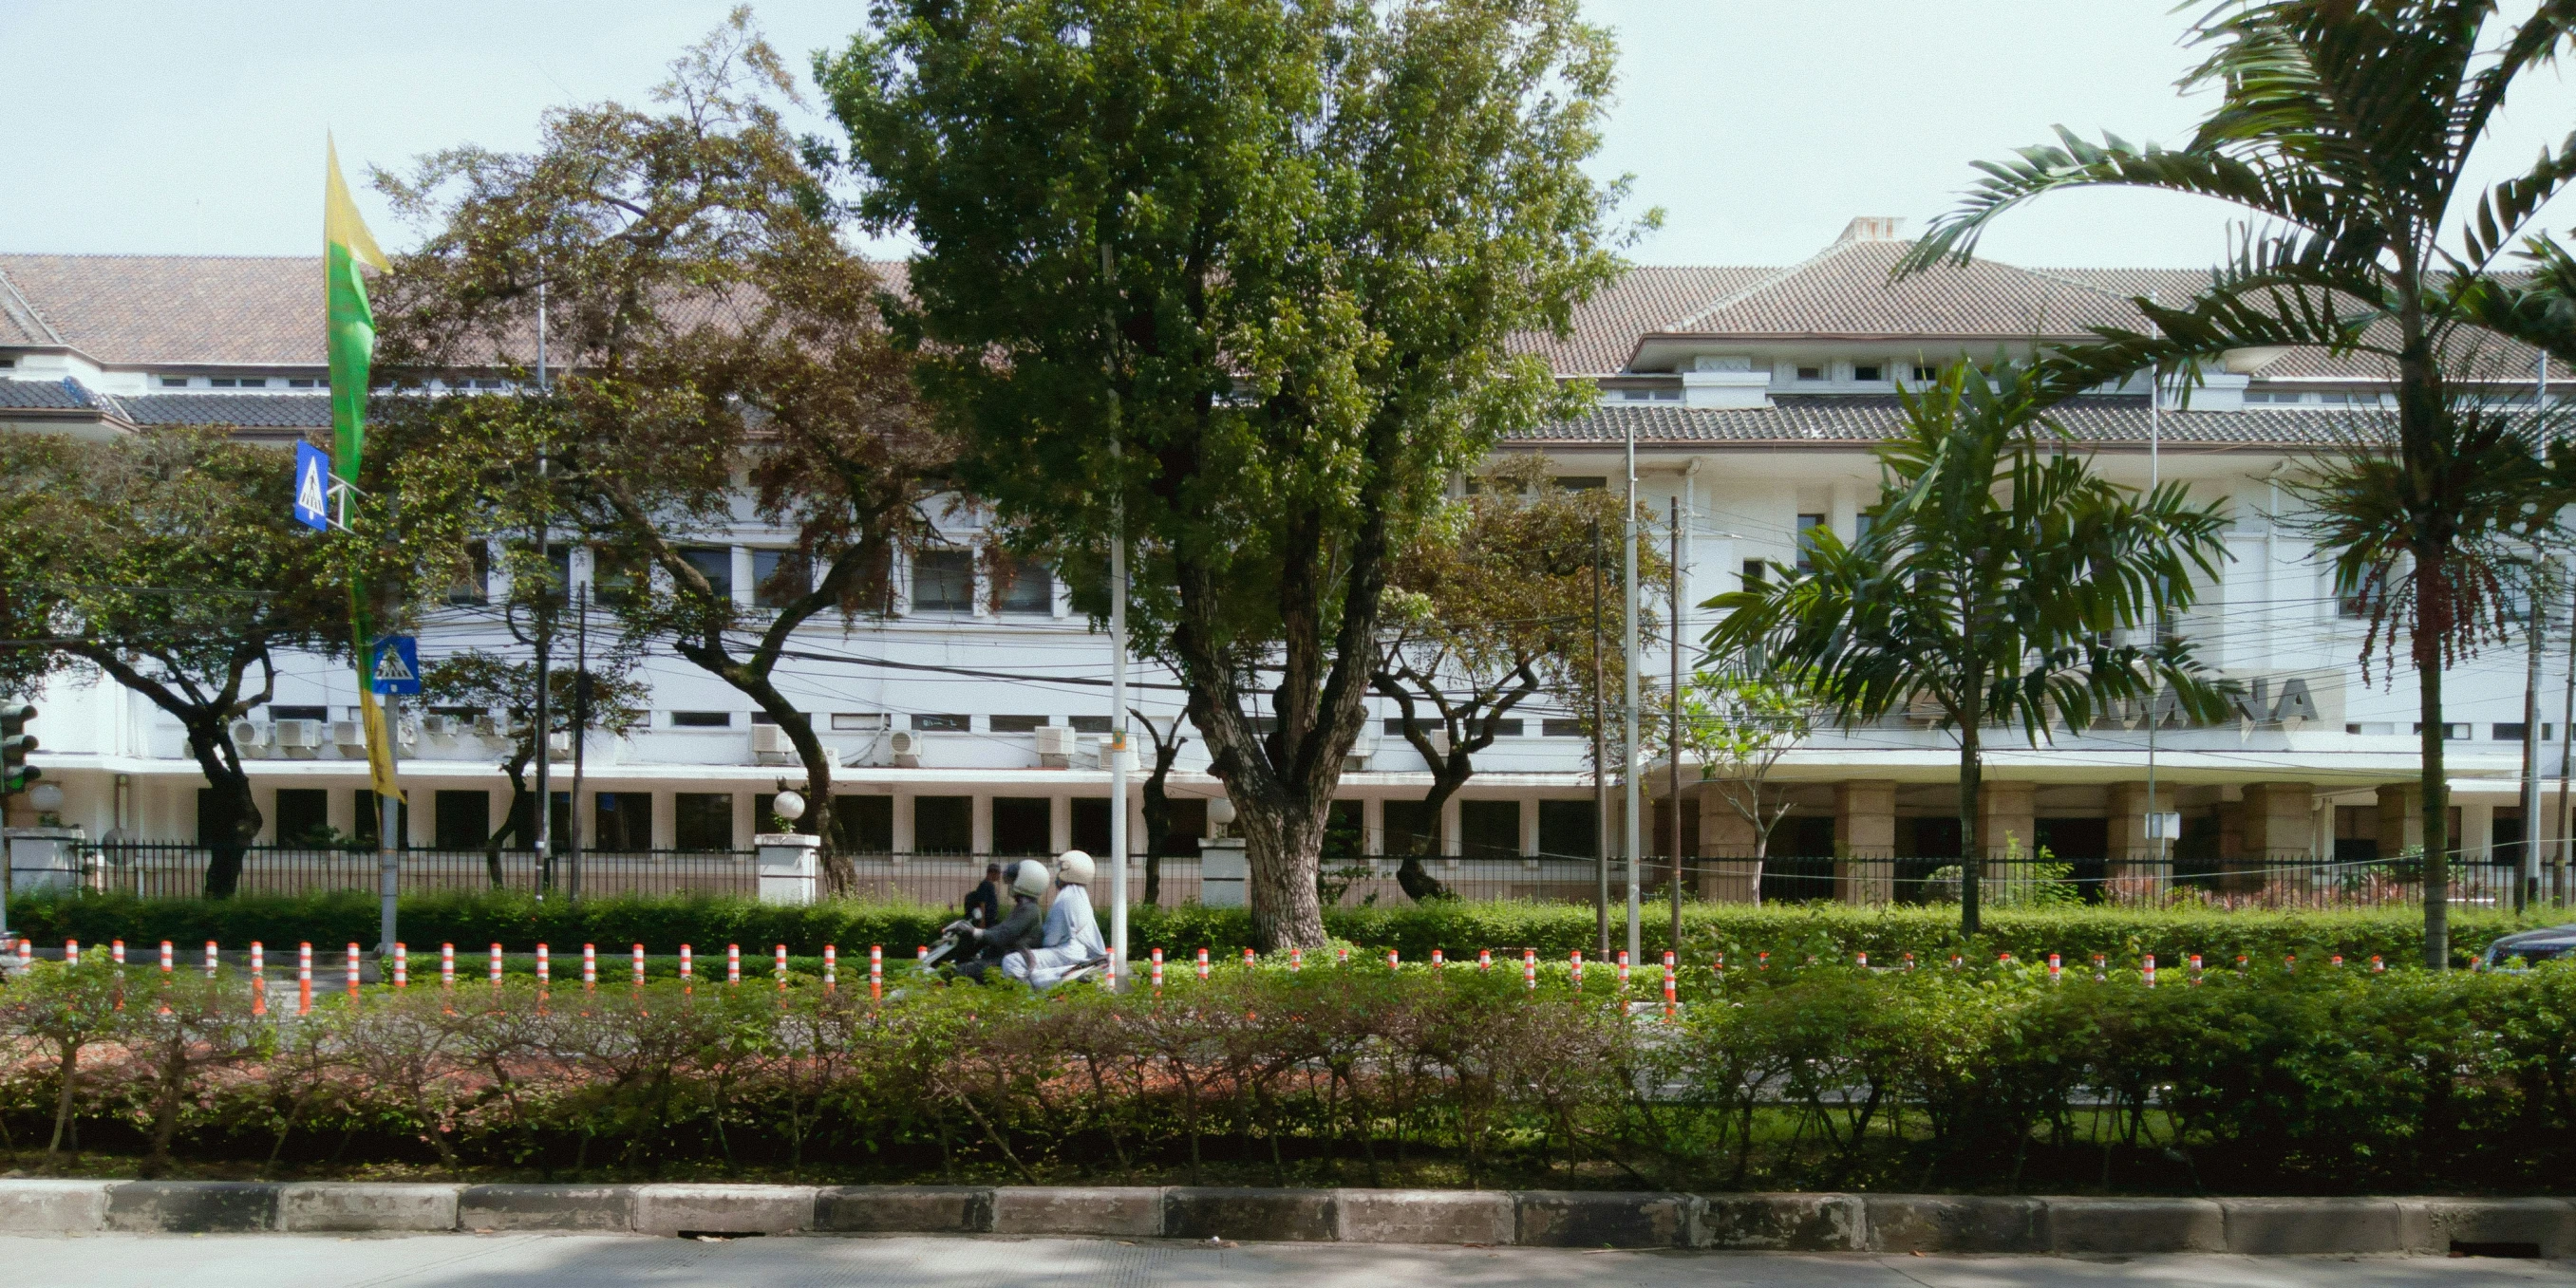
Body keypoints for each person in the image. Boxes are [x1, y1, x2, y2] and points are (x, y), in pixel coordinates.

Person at [1003, 849, 1106, 990]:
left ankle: (1027, 1001)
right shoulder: (1080, 895)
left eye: (1060, 869)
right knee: (1033, 968)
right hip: (1079, 951)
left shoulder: (1065, 898)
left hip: (1067, 951)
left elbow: (1052, 939)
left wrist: (1036, 942)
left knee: (1012, 961)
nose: (1057, 875)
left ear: (1068, 870)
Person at [950, 859, 1048, 982]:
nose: (1010, 884)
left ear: (1026, 882)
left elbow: (1003, 935)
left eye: (1013, 880)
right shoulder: (1023, 907)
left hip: (1013, 958)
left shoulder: (1029, 910)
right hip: (1006, 954)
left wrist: (975, 931)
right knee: (966, 963)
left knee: (960, 971)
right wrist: (975, 932)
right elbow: (1000, 929)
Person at [963, 863, 1004, 927]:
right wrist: (982, 920)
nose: (999, 876)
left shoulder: (990, 885)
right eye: (998, 873)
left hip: (991, 920)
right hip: (987, 921)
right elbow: (982, 902)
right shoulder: (985, 885)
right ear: (992, 873)